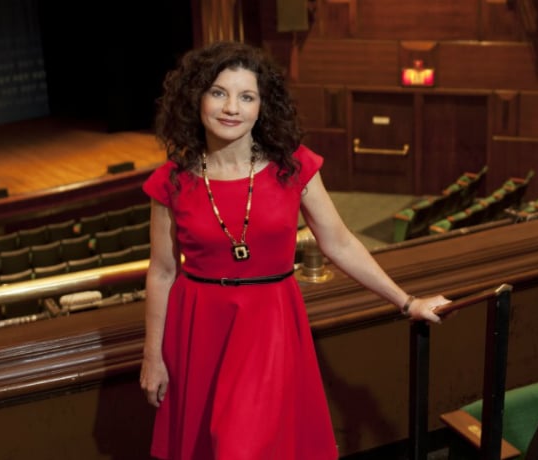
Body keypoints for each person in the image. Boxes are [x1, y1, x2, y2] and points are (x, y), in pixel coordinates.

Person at [139, 40, 450, 460]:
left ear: (262, 106)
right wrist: (153, 356)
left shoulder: (293, 165)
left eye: (246, 97)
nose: (231, 108)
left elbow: (339, 242)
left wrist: (407, 301)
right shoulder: (172, 181)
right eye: (218, 92)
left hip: (270, 323)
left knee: (241, 447)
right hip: (199, 329)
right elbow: (162, 272)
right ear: (196, 98)